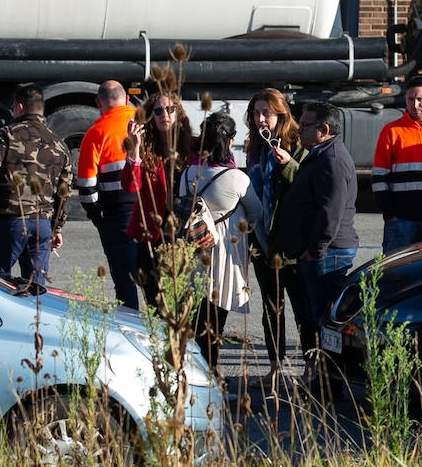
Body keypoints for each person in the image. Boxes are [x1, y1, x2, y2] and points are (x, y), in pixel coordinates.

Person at [179, 112, 261, 372]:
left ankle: (189, 373)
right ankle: (210, 374)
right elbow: (257, 212)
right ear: (230, 142)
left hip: (192, 253)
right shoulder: (237, 178)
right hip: (224, 256)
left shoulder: (187, 173)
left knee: (191, 320)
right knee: (214, 322)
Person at [0, 84, 72, 286]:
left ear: (19, 107)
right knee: (37, 289)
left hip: (10, 221)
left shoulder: (9, 134)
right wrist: (56, 228)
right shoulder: (59, 144)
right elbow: (64, 192)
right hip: (41, 224)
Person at [278, 101, 359, 344]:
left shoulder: (331, 160)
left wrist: (315, 251)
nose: (298, 130)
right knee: (316, 316)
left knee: (322, 319)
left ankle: (325, 378)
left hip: (328, 254)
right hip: (323, 252)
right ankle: (319, 374)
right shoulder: (322, 154)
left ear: (323, 129)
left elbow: (330, 213)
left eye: (304, 125)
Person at [244, 88, 309, 374]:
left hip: (291, 242)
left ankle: (311, 367)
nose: (261, 119)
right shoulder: (255, 146)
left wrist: (289, 164)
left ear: (281, 114)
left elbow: (310, 186)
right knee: (271, 308)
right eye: (256, 113)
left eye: (266, 113)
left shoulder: (298, 142)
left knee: (301, 307)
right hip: (262, 241)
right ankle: (275, 368)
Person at [121, 90, 197, 308]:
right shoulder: (144, 148)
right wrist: (134, 150)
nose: (165, 114)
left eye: (170, 109)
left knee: (182, 303)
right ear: (150, 117)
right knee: (158, 305)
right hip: (152, 234)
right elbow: (129, 186)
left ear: (178, 113)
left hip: (184, 233)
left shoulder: (193, 146)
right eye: (158, 110)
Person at [77, 80, 139, 308]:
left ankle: (132, 333)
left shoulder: (96, 133)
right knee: (154, 282)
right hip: (150, 213)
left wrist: (97, 218)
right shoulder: (146, 123)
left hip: (117, 217)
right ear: (126, 99)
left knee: (124, 282)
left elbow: (86, 187)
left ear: (98, 102)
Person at [371, 76, 422, 253]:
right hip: (400, 222)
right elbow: (378, 177)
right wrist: (390, 216)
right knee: (395, 275)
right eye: (410, 99)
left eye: (420, 99)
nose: (415, 104)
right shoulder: (391, 131)